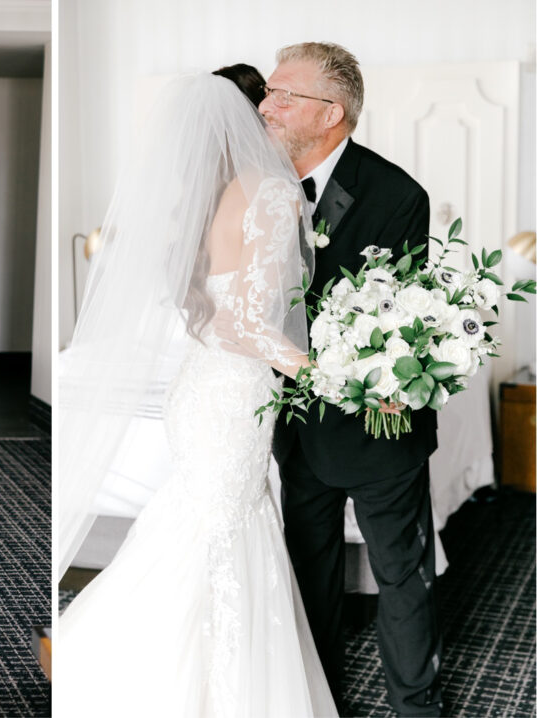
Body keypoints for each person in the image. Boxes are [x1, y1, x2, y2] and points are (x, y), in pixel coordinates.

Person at [56, 68, 336, 716]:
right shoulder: (270, 193)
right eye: (266, 105)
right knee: (219, 531)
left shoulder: (204, 198)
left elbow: (215, 314)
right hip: (233, 395)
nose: (275, 114)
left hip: (200, 389)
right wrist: (329, 377)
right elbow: (246, 323)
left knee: (205, 526)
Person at [262, 42, 442, 717]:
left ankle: (417, 706)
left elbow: (402, 316)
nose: (267, 105)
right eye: (269, 93)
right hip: (294, 423)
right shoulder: (257, 187)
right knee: (308, 572)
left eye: (285, 95)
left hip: (379, 422)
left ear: (331, 112)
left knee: (401, 575)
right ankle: (317, 698)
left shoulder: (395, 195)